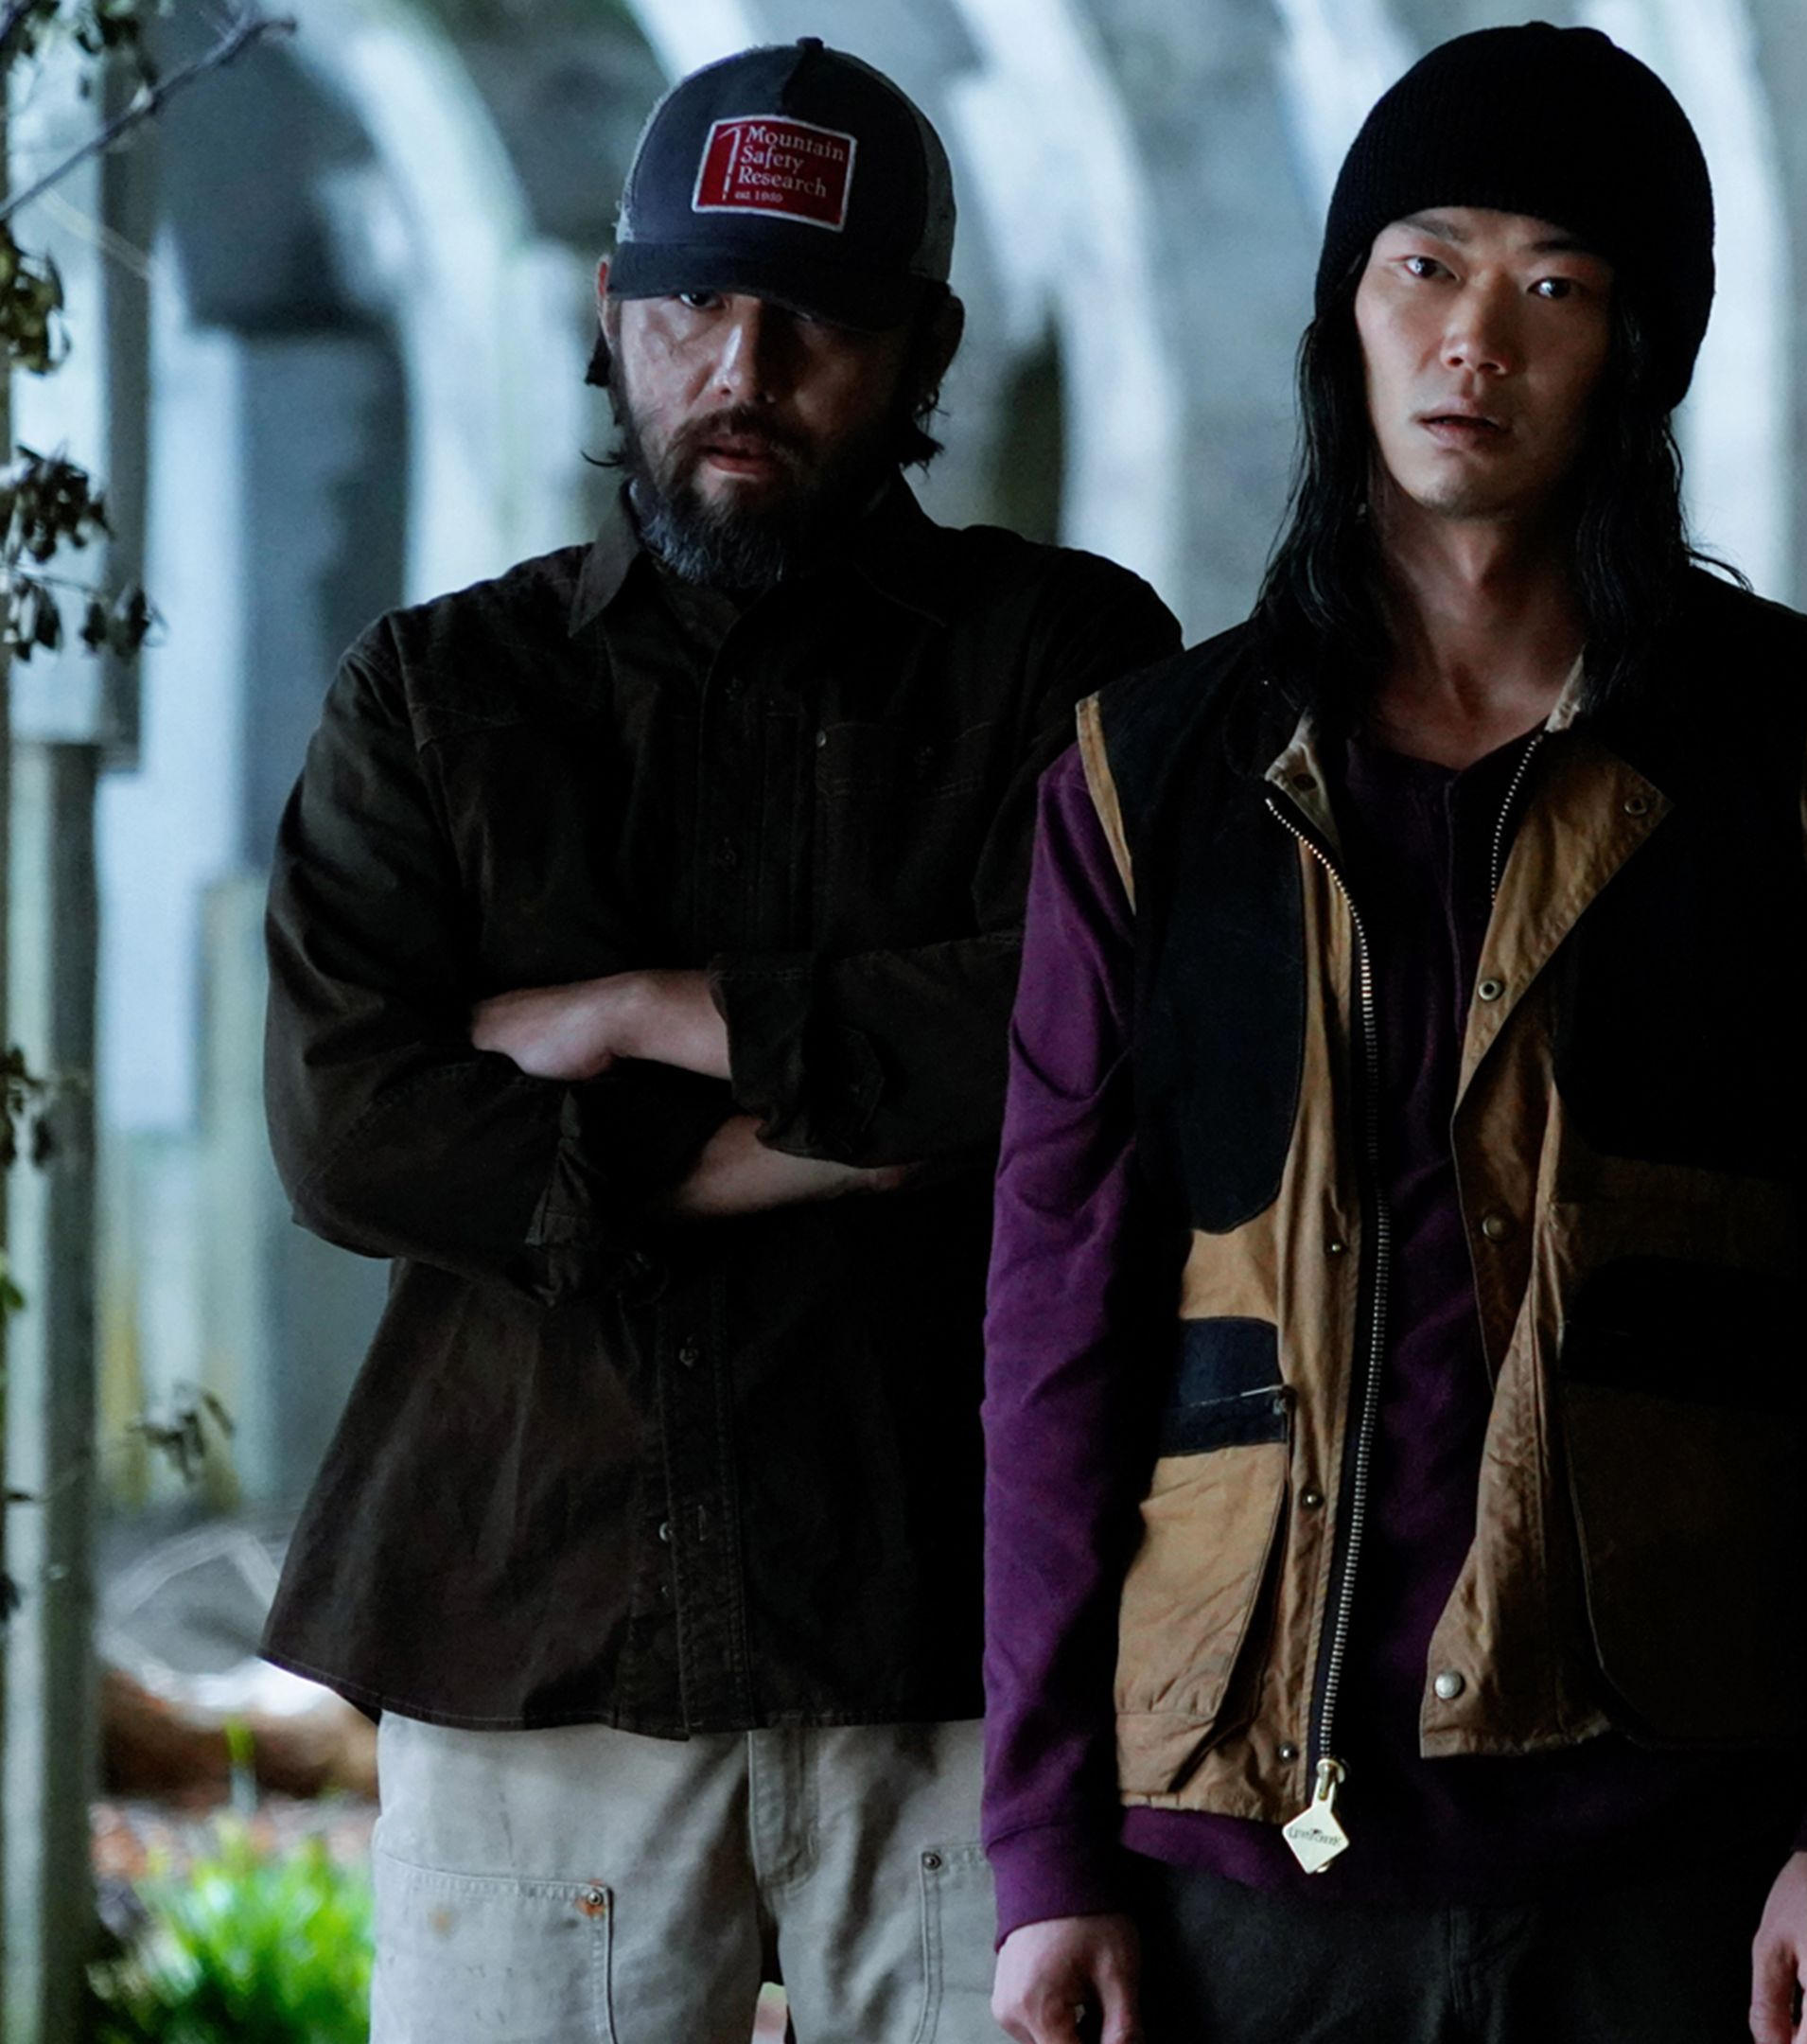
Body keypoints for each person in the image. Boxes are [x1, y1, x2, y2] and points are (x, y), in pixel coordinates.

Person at [977, 25, 1807, 2044]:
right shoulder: (1149, 777)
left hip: (1674, 1830)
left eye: (1556, 284)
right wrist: (1047, 1850)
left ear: (1641, 350)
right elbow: (1053, 1334)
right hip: (1242, 1845)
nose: (1476, 339)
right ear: (1345, 315)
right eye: (1424, 266)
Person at [258, 38, 1178, 2043]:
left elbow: (1098, 1032)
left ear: (925, 351)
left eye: (816, 320)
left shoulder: (1070, 656)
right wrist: (842, 1127)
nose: (741, 368)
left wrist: (641, 1017)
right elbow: (352, 1132)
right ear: (613, 315)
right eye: (691, 306)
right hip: (535, 1619)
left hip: (959, 1633)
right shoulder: (438, 690)